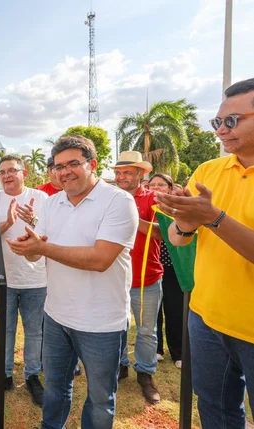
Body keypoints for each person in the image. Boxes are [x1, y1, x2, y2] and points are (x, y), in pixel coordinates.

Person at [7, 135, 138, 429]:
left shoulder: (118, 201)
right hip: (56, 315)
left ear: (92, 164)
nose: (64, 172)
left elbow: (100, 260)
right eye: (58, 166)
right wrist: (30, 248)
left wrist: (41, 248)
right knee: (55, 388)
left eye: (73, 164)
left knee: (101, 398)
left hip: (101, 322)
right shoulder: (52, 204)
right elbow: (38, 254)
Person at [156, 77, 254, 428]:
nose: (221, 131)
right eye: (217, 122)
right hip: (205, 317)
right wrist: (184, 221)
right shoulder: (208, 171)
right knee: (214, 409)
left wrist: (212, 217)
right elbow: (178, 238)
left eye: (232, 121)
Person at [0, 154, 48, 406]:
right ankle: (5, 374)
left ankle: (32, 376)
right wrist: (8, 222)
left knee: (34, 331)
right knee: (5, 329)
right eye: (3, 172)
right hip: (3, 278)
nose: (7, 175)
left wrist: (31, 220)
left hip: (36, 278)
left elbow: (50, 233)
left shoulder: (42, 198)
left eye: (12, 170)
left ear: (24, 173)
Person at [112, 151, 164, 405]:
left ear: (140, 174)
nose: (121, 177)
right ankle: (121, 366)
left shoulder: (154, 198)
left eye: (127, 173)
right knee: (115, 327)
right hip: (113, 277)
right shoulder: (109, 198)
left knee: (146, 331)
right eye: (118, 173)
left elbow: (161, 234)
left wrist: (132, 216)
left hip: (147, 277)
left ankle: (145, 374)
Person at [148, 173, 184, 369]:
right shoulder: (146, 208)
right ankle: (157, 349)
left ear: (170, 188)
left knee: (175, 309)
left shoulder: (177, 210)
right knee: (154, 310)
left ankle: (178, 352)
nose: (156, 187)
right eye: (152, 184)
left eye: (161, 184)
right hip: (152, 266)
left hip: (173, 267)